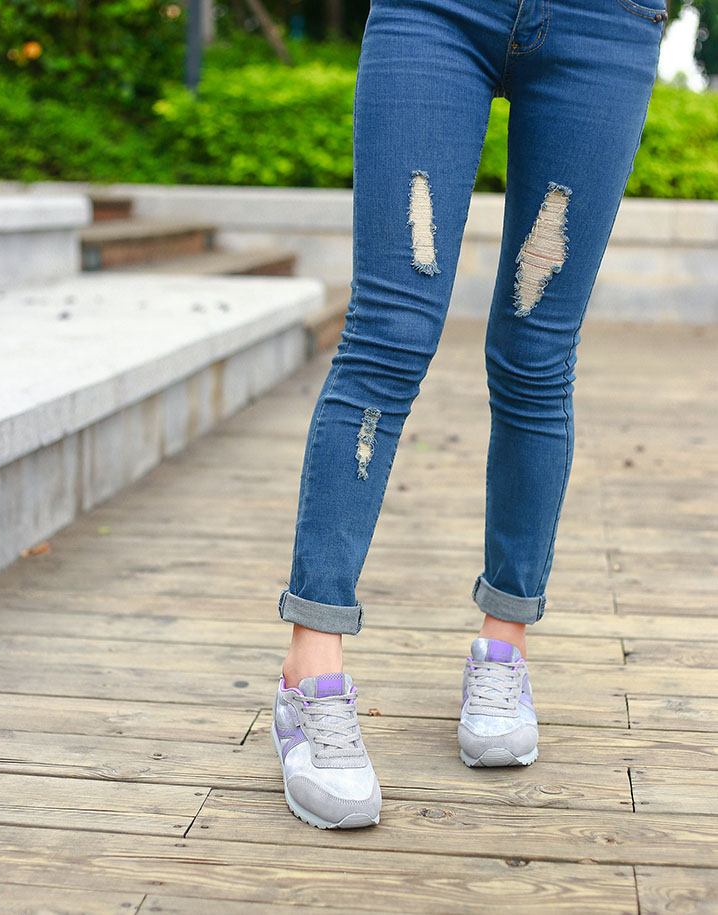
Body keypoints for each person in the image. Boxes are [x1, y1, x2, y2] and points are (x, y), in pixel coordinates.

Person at [271, 0, 668, 829]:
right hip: (438, 12)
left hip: (605, 22)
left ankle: (504, 645)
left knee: (536, 350)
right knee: (388, 335)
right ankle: (309, 670)